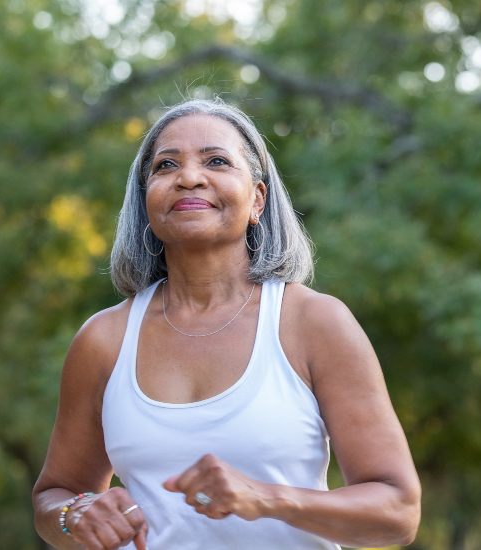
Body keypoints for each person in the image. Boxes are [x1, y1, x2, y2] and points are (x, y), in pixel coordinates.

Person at [32, 98, 421, 549]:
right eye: (165, 165)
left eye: (216, 160)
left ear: (257, 198)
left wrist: (269, 498)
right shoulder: (104, 340)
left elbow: (397, 512)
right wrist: (74, 514)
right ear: (146, 201)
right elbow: (52, 496)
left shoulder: (313, 322)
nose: (189, 177)